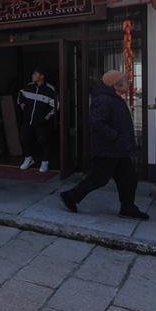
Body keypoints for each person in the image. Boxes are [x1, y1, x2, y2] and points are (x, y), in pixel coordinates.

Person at [60, 71, 149, 220]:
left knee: (129, 178)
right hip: (107, 149)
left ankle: (128, 208)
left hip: (117, 149)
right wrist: (115, 137)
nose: (128, 84)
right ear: (115, 84)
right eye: (125, 81)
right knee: (98, 179)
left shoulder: (114, 98)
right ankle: (70, 196)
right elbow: (96, 123)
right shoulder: (104, 99)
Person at [17, 66, 58, 173]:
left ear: (42, 76)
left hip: (42, 123)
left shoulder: (50, 89)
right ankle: (28, 159)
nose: (33, 76)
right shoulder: (28, 86)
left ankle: (45, 162)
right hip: (28, 120)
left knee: (43, 141)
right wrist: (22, 104)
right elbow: (21, 94)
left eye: (35, 74)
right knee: (23, 139)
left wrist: (45, 118)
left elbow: (56, 106)